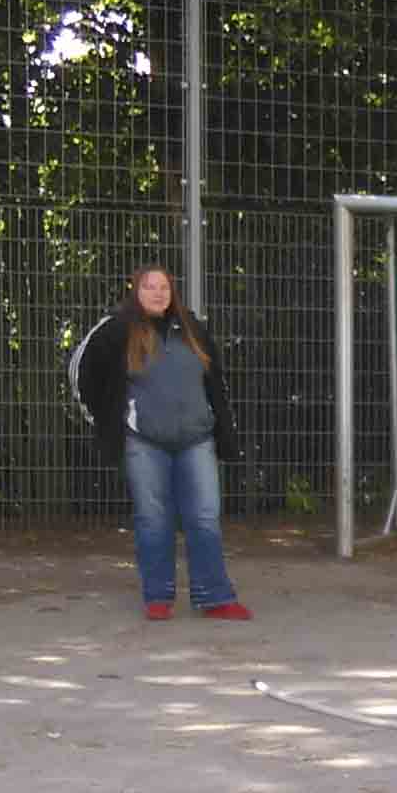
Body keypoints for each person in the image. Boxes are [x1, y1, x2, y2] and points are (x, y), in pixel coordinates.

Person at [67, 261, 248, 622]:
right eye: (149, 287)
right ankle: (158, 597)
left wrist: (220, 424)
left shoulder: (193, 329)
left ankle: (214, 597)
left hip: (196, 440)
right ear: (135, 290)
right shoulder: (116, 330)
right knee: (153, 519)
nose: (158, 293)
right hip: (143, 442)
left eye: (164, 287)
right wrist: (107, 421)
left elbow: (216, 380)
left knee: (205, 518)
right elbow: (82, 374)